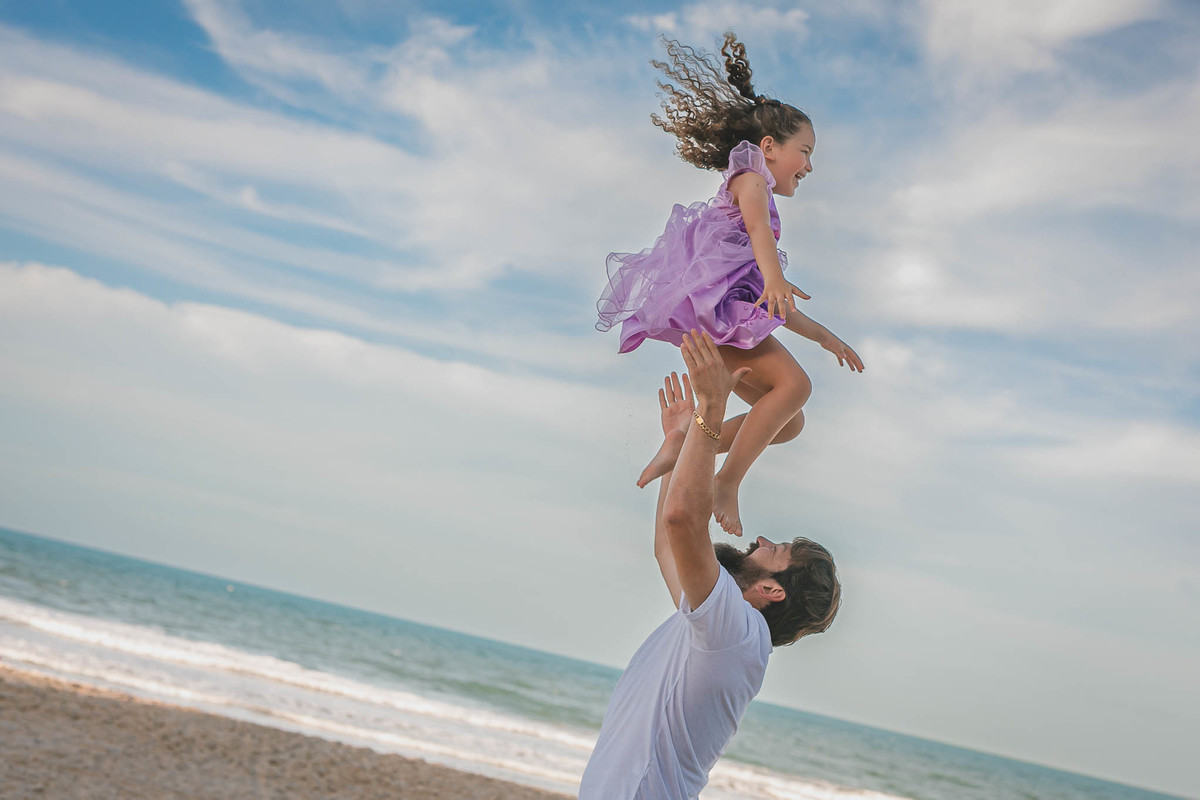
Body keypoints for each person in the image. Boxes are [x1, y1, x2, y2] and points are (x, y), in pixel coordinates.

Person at [597, 33, 864, 537]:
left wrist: (827, 338)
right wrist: (776, 275)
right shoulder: (750, 179)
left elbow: (771, 305)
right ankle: (726, 482)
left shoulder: (750, 236)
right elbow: (760, 231)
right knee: (796, 387)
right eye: (805, 152)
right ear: (770, 148)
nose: (810, 165)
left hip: (719, 321)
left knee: (788, 421)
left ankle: (686, 444)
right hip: (712, 321)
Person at [578, 331, 841, 800]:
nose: (759, 540)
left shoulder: (738, 631)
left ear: (772, 590)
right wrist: (681, 443)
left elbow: (682, 521)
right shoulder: (719, 628)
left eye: (774, 549)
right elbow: (668, 542)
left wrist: (711, 410)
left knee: (791, 413)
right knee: (791, 419)